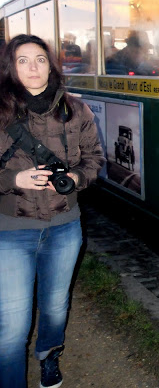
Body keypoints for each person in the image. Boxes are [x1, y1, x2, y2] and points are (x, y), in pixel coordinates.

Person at [0, 34, 105, 388]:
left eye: (40, 59)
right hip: (11, 229)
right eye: (23, 60)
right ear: (10, 67)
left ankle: (48, 356)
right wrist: (15, 178)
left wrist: (76, 177)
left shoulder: (76, 109)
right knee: (13, 324)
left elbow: (94, 159)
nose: (33, 67)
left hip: (64, 226)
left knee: (56, 307)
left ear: (51, 64)